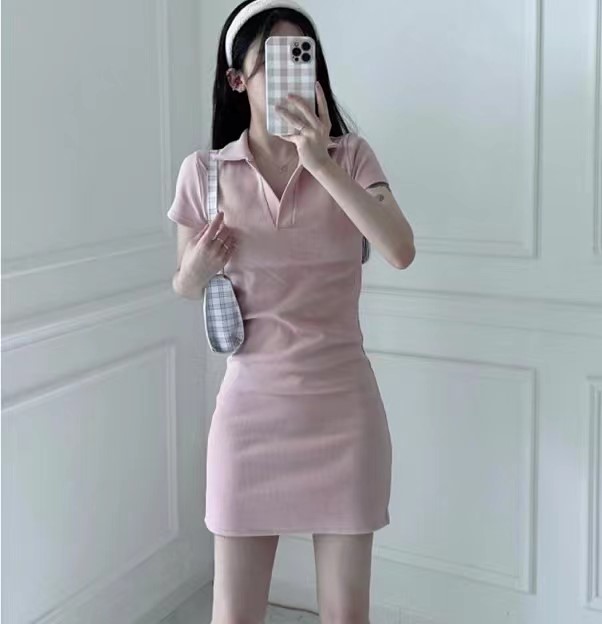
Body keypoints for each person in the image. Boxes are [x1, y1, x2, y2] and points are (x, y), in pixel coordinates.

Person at [167, 1, 415, 622]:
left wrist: (320, 163)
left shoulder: (351, 158)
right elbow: (184, 285)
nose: (292, 74)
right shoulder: (204, 173)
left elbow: (399, 250)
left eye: (302, 56)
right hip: (248, 417)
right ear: (237, 79)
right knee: (235, 614)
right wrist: (198, 267)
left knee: (346, 614)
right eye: (272, 59)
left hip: (344, 415)